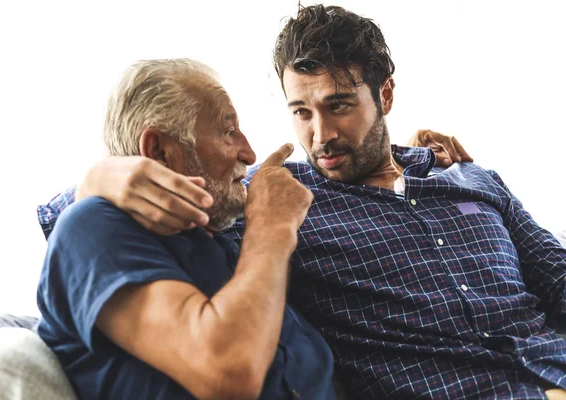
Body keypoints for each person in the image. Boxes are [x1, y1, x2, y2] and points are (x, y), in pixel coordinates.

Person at [38, 5, 566, 399]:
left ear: (383, 97)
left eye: (338, 106)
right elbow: (98, 224)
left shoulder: (475, 181)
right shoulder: (277, 198)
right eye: (301, 112)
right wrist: (101, 175)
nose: (321, 135)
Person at [36, 59, 338, 399]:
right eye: (228, 131)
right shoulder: (92, 227)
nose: (250, 153)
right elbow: (229, 372)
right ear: (160, 151)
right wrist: (272, 225)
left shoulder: (224, 239)